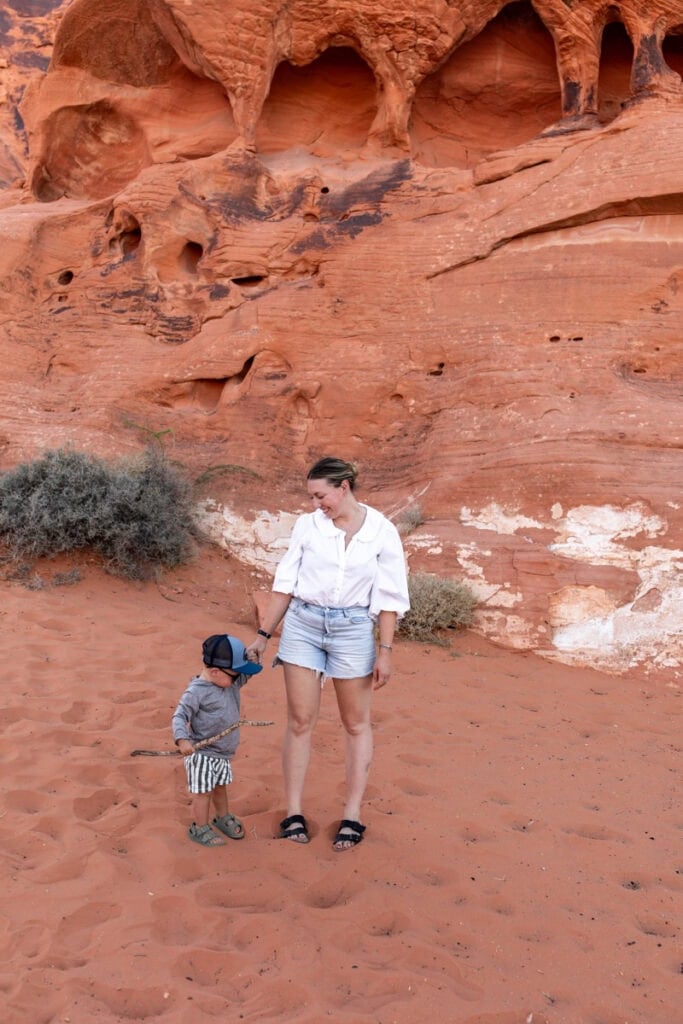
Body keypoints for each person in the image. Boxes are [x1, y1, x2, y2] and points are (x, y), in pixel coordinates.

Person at [246, 457, 409, 851]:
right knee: (300, 720)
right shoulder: (308, 527)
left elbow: (389, 598)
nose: (316, 504)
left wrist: (384, 652)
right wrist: (264, 634)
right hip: (303, 625)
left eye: (321, 496)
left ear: (344, 487)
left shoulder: (382, 532)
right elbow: (285, 584)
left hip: (353, 630)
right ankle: (293, 811)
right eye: (312, 497)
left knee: (355, 723)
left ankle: (352, 814)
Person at [172, 634, 262, 847]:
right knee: (203, 793)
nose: (238, 678)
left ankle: (221, 817)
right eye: (235, 674)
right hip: (203, 753)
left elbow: (245, 675)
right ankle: (200, 827)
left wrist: (253, 658)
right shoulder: (196, 692)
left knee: (220, 787)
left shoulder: (227, 682)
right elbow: (180, 715)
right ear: (215, 671)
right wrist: (182, 739)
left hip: (223, 753)